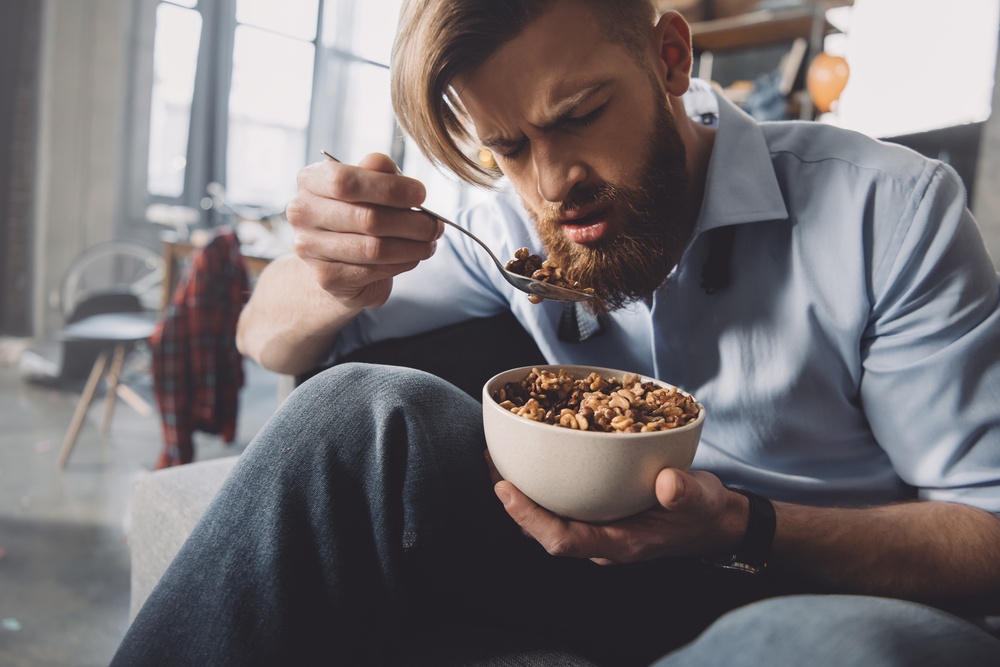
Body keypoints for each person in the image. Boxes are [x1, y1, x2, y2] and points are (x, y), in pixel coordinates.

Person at [113, 1, 1000, 665]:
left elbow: (989, 537)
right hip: (601, 572)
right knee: (360, 410)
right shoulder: (507, 219)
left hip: (825, 581)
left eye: (578, 115)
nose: (552, 182)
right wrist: (336, 268)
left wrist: (737, 525)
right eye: (507, 145)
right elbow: (264, 338)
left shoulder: (889, 210)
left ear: (669, 56)